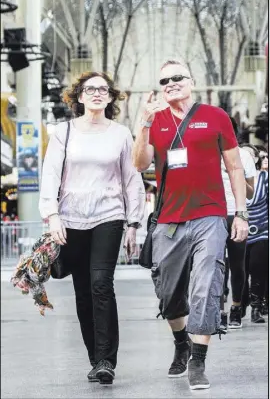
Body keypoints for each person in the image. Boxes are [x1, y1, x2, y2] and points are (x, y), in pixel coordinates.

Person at [133, 59, 249, 390]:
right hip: (168, 220)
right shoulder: (154, 122)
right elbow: (139, 164)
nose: (170, 83)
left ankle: (198, 359)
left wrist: (240, 212)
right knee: (169, 295)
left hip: (210, 215)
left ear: (192, 81)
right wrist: (143, 122)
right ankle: (181, 341)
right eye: (163, 80)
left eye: (177, 77)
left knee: (207, 283)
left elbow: (235, 167)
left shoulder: (215, 117)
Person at [39, 71, 145, 385]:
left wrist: (133, 222)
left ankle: (106, 361)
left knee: (101, 283)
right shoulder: (64, 132)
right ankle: (95, 358)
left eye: (103, 89)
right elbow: (50, 176)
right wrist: (53, 216)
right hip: (71, 220)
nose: (97, 93)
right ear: (80, 96)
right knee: (83, 292)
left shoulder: (121, 134)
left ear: (111, 97)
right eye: (90, 89)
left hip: (108, 216)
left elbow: (130, 179)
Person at [220, 118, 257, 330]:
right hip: (214, 214)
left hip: (237, 214)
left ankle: (236, 306)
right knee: (216, 265)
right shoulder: (209, 152)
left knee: (237, 264)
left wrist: (234, 174)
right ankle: (219, 310)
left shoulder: (243, 155)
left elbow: (250, 193)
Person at [241, 145, 268, 322]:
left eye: (250, 155)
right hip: (238, 230)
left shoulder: (265, 178)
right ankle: (240, 305)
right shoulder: (231, 177)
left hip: (262, 230)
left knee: (258, 269)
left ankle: (256, 308)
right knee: (240, 271)